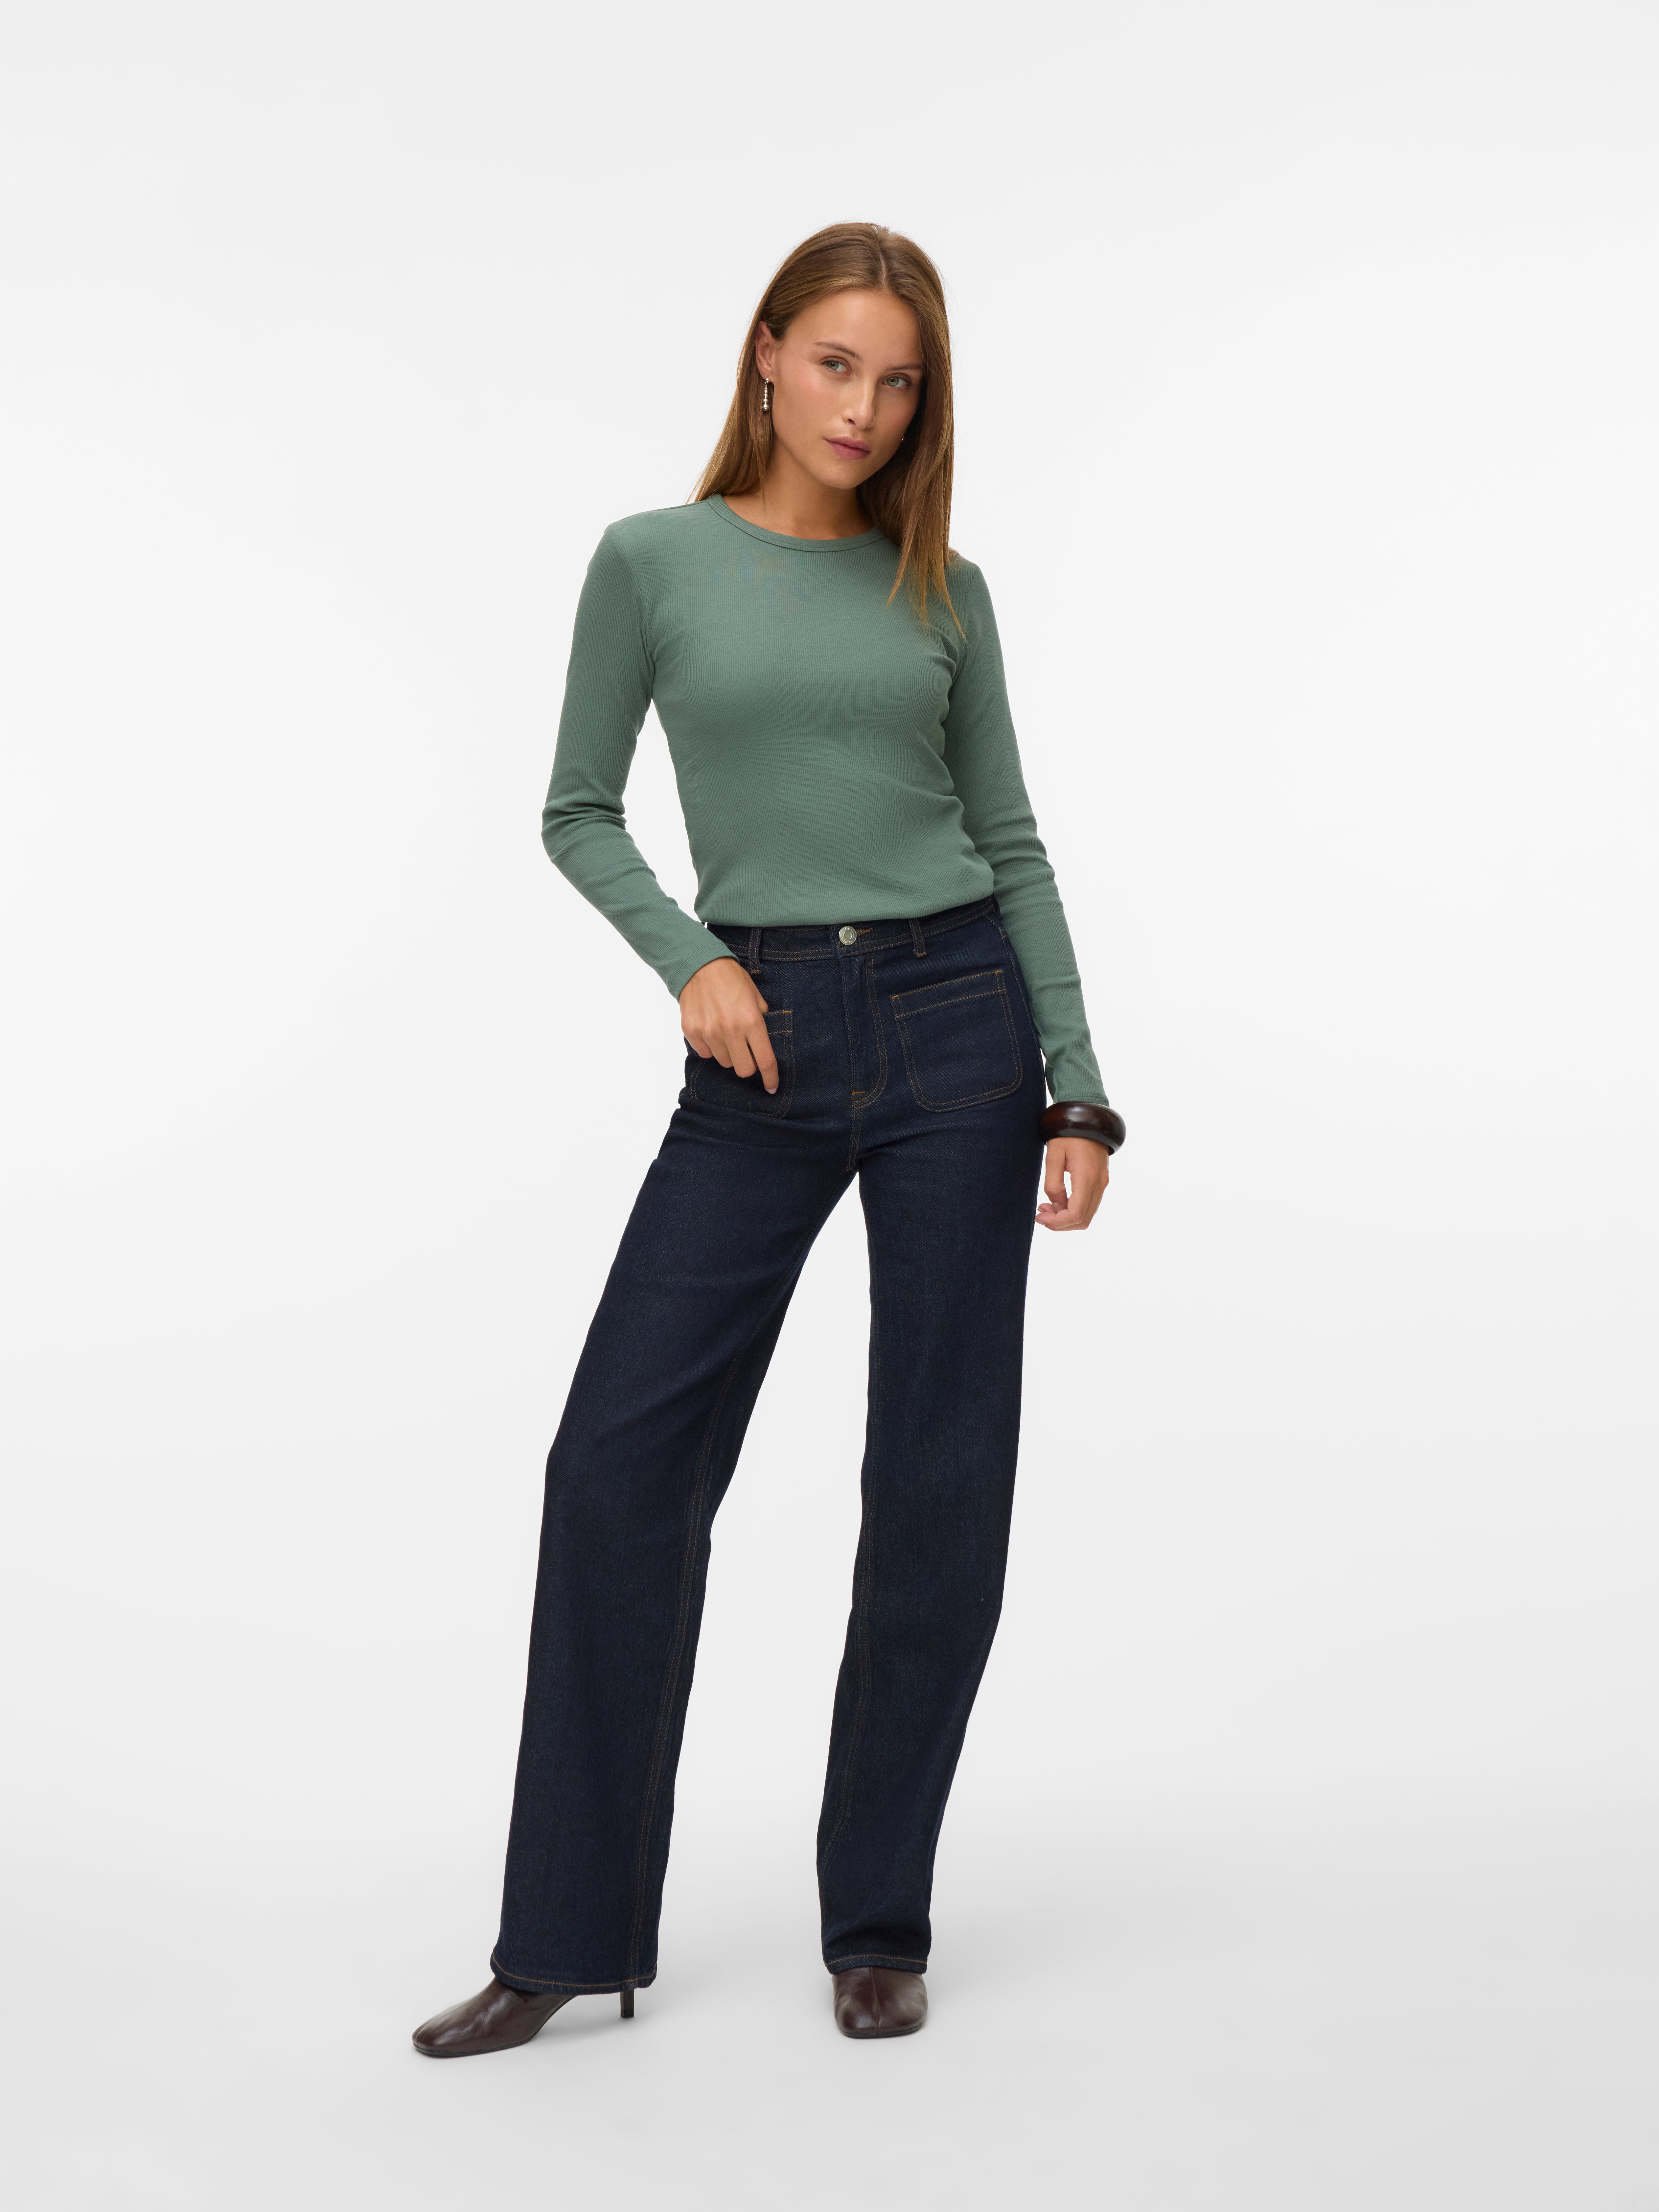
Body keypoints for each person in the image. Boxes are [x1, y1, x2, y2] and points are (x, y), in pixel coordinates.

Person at [413, 220, 1124, 2057]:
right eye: (836, 364)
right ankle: (565, 1935)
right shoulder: (651, 562)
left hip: (962, 1032)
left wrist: (1077, 1081)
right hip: (759, 1042)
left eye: (899, 382)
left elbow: (1013, 842)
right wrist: (696, 965)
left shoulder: (944, 590)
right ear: (766, 355)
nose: (864, 407)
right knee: (617, 1469)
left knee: (939, 1480)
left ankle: (877, 1920)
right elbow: (577, 811)